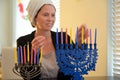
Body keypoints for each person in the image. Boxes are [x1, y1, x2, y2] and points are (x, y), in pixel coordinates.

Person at [17, 0, 88, 80]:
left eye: (53, 15)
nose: (50, 19)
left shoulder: (63, 38)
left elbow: (77, 62)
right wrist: (34, 54)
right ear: (35, 17)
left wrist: (79, 43)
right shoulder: (23, 42)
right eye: (45, 15)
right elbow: (26, 76)